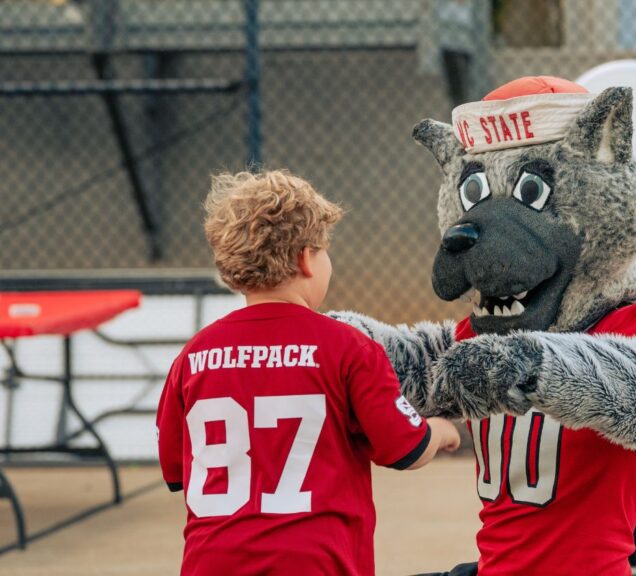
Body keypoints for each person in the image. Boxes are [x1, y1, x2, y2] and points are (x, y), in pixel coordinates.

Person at [156, 169, 461, 576]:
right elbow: (405, 448)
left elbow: (177, 472)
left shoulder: (193, 357)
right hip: (317, 564)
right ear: (305, 258)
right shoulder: (347, 347)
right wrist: (441, 430)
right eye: (324, 250)